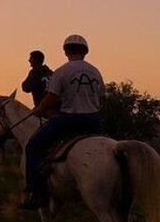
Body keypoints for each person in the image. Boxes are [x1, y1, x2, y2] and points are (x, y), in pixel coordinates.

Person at [20, 34, 104, 210]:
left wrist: (40, 109)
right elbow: (100, 96)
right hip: (94, 121)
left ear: (66, 51)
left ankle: (35, 193)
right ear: (85, 52)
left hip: (70, 120)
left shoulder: (62, 71)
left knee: (33, 146)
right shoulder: (96, 72)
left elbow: (52, 96)